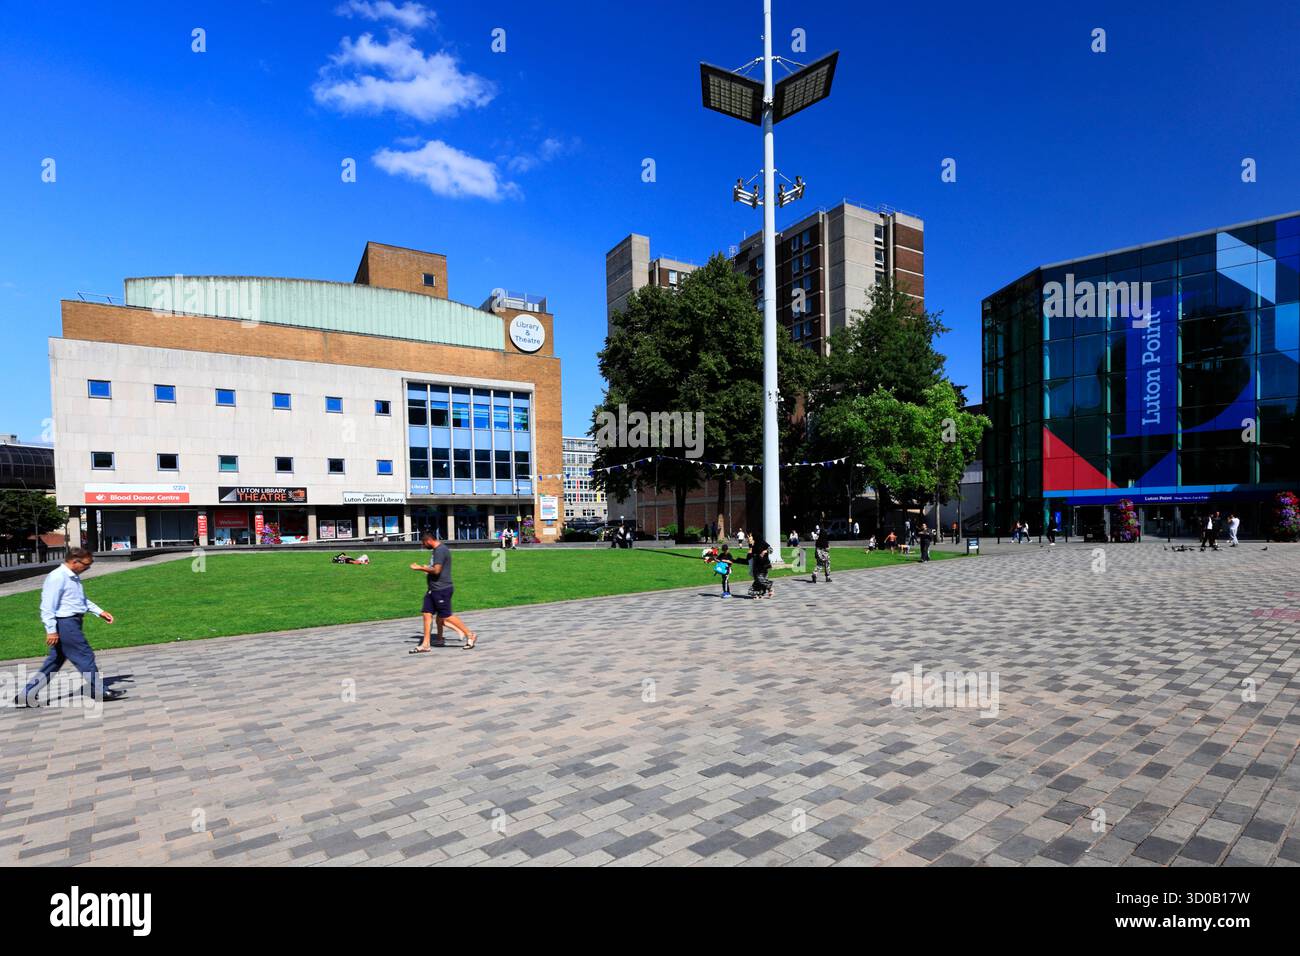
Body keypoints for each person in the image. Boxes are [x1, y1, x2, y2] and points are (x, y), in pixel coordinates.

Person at [20, 548, 125, 705]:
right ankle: (100, 691)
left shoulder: (73, 577)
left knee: (54, 661)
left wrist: (99, 612)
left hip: (72, 622)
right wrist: (51, 631)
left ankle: (26, 695)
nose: (87, 568)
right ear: (74, 561)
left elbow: (80, 600)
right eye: (86, 565)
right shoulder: (57, 577)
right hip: (66, 623)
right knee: (85, 655)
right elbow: (47, 607)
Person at [410, 531, 477, 652]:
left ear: (429, 540)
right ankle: (425, 644)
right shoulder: (437, 550)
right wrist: (426, 568)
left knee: (446, 616)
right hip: (432, 589)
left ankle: (469, 634)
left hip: (442, 589)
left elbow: (436, 571)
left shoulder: (440, 550)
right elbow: (434, 569)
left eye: (424, 543)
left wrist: (420, 568)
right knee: (426, 614)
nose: (424, 546)